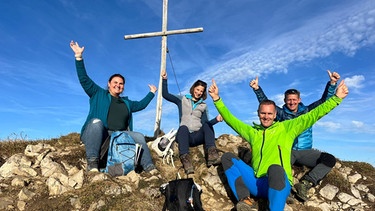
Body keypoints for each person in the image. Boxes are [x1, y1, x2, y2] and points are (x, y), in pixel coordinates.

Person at [208, 79, 348, 211]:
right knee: (227, 157)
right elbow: (231, 120)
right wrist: (216, 99)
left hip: (280, 182)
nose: (266, 116)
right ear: (258, 114)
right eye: (263, 113)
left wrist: (336, 98)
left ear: (275, 115)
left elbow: (313, 115)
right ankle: (245, 200)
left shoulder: (287, 128)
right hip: (257, 183)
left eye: (270, 113)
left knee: (275, 169)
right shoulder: (253, 133)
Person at [249, 70, 340, 202]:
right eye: (289, 100)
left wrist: (332, 84)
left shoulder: (308, 111)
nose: (291, 102)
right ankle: (277, 191)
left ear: (299, 100)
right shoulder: (280, 113)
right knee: (277, 168)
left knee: (329, 159)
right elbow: (266, 105)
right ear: (285, 100)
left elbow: (324, 102)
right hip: (287, 151)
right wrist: (257, 89)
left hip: (305, 151)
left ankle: (305, 183)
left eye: (294, 100)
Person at [70, 40, 157, 173]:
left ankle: (150, 168)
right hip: (100, 133)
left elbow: (141, 105)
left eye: (121, 83)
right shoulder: (98, 93)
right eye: (115, 82)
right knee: (96, 122)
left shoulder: (127, 103)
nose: (118, 85)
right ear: (109, 83)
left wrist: (151, 93)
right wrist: (78, 57)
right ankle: (93, 165)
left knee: (139, 136)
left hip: (119, 135)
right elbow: (84, 79)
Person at [161, 71, 223, 174]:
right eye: (197, 89)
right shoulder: (182, 99)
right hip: (185, 136)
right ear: (193, 88)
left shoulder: (203, 106)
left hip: (198, 136)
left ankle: (212, 154)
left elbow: (206, 123)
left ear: (203, 93)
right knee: (183, 127)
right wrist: (164, 80)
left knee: (207, 125)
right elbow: (166, 95)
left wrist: (216, 119)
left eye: (201, 91)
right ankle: (186, 161)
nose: (199, 92)